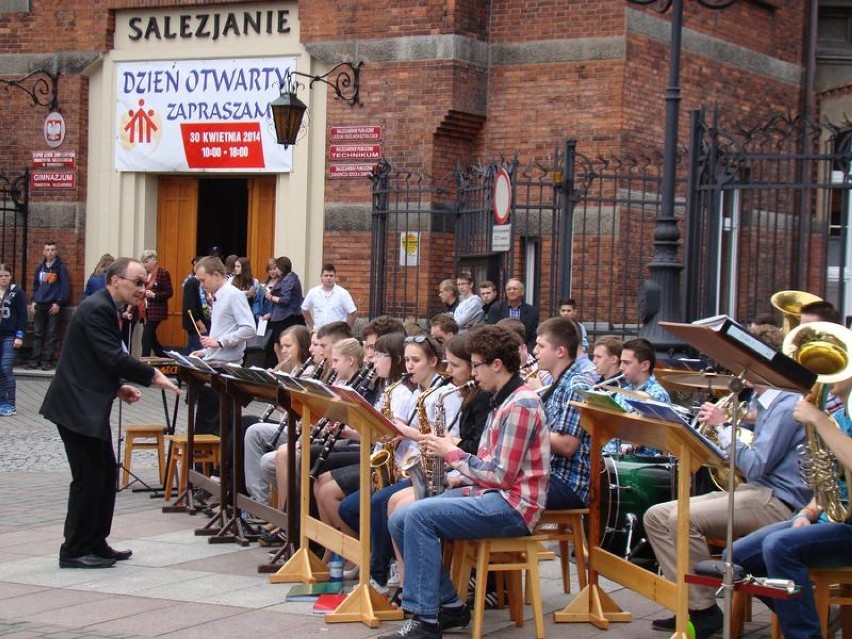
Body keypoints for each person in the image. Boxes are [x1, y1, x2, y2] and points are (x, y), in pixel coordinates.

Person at [379, 325, 549, 639]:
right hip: (491, 494)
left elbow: (501, 476)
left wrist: (453, 454)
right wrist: (458, 476)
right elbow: (489, 464)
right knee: (401, 517)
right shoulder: (501, 397)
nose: (473, 373)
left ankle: (425, 621)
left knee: (418, 515)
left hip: (514, 507)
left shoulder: (520, 405)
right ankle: (450, 605)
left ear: (497, 365)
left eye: (476, 365)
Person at [643, 324, 812, 639]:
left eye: (741, 360)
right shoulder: (764, 403)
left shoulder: (786, 403)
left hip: (778, 501)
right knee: (655, 515)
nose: (737, 367)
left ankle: (704, 609)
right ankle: (693, 606)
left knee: (681, 519)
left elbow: (757, 466)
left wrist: (724, 428)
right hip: (755, 492)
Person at [39, 257, 179, 569]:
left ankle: (96, 542)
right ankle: (74, 549)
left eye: (145, 282)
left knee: (103, 473)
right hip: (75, 406)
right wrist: (154, 376)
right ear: (115, 280)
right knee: (88, 478)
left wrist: (117, 389)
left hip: (86, 403)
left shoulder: (105, 307)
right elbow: (112, 356)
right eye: (138, 282)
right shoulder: (97, 307)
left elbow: (94, 359)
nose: (143, 289)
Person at [726, 375, 852, 639]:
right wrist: (807, 512)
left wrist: (817, 419)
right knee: (734, 558)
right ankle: (809, 618)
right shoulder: (839, 418)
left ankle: (805, 633)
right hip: (832, 519)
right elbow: (827, 483)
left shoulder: (829, 421)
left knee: (780, 547)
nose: (828, 378)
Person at [534, 317, 592, 509]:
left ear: (560, 351)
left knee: (499, 490)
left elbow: (567, 445)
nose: (535, 352)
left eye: (541, 346)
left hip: (566, 483)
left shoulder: (576, 385)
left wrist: (526, 430)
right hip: (549, 475)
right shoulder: (558, 383)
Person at [27, 240, 70, 370]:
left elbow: (65, 288)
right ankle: (35, 359)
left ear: (56, 252)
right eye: (47, 250)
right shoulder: (40, 268)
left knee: (51, 334)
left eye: (52, 250)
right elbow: (35, 286)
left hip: (53, 305)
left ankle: (47, 361)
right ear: (43, 252)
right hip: (40, 304)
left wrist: (58, 303)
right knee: (37, 333)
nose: (50, 252)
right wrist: (33, 301)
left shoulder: (60, 268)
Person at [264, 256, 305, 367]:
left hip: (286, 317)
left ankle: (284, 369)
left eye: (276, 267)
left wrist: (270, 297)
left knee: (281, 346)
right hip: (280, 316)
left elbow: (285, 300)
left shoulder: (289, 279)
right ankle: (282, 368)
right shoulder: (284, 278)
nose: (275, 270)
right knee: (277, 346)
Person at [0, 264, 26, 416]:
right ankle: (1, 401)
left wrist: (19, 335)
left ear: (11, 276)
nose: (3, 278)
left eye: (6, 275)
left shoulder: (17, 292)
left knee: (5, 367)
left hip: (10, 335)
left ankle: (10, 403)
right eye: (1, 276)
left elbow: (22, 315)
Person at [486, 278, 539, 352]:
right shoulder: (496, 309)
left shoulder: (532, 311)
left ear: (522, 292)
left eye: (515, 288)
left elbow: (533, 337)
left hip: (524, 351)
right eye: (509, 289)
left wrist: (526, 352)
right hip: (501, 350)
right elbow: (490, 332)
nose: (511, 291)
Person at [301, 263, 358, 331]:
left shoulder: (343, 293)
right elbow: (304, 309)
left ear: (335, 277)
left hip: (337, 333)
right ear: (321, 277)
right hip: (319, 333)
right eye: (326, 275)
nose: (328, 278)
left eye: (331, 276)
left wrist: (347, 329)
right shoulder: (313, 292)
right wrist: (313, 326)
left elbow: (353, 312)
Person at [139, 249, 173, 358]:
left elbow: (169, 292)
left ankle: (144, 361)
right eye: (143, 262)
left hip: (156, 311)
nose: (144, 265)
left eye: (146, 262)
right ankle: (164, 358)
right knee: (152, 338)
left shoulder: (163, 273)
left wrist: (154, 295)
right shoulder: (144, 275)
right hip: (145, 310)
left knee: (146, 338)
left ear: (154, 261)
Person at [181, 256, 209, 354]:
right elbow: (189, 306)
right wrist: (200, 324)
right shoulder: (191, 282)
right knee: (196, 349)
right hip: (195, 324)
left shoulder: (203, 283)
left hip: (204, 320)